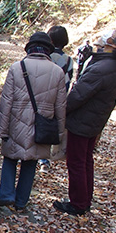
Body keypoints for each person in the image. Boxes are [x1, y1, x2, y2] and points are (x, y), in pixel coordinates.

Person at [53, 25, 116, 216]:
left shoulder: (103, 67)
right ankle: (84, 199)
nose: (108, 34)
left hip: (83, 122)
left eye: (113, 34)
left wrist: (59, 111)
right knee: (85, 161)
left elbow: (78, 96)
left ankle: (78, 203)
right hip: (94, 121)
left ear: (114, 44)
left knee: (76, 162)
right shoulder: (113, 65)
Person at [0, 32, 66, 211]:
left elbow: (6, 102)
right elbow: (61, 107)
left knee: (10, 158)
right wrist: (60, 134)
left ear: (29, 48)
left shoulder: (17, 68)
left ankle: (6, 194)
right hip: (42, 125)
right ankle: (21, 201)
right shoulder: (57, 72)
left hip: (16, 123)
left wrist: (1, 130)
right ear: (48, 50)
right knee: (31, 162)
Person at [39, 25, 73, 172]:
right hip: (59, 98)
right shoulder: (68, 60)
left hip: (42, 96)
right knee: (50, 127)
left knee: (39, 124)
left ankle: (41, 158)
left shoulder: (46, 56)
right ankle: (46, 158)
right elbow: (68, 80)